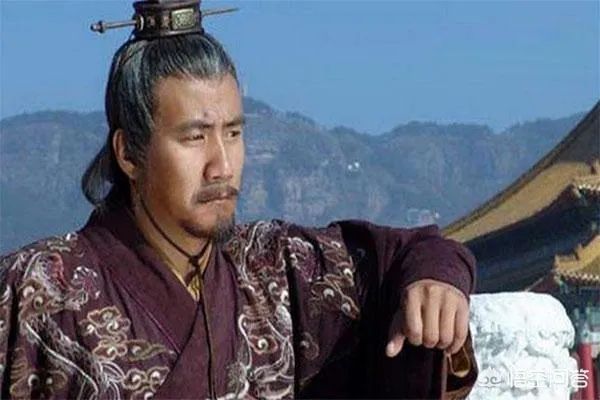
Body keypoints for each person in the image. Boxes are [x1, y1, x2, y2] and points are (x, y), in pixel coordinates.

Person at [0, 1, 478, 398]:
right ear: (129, 153)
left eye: (233, 133)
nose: (222, 165)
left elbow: (413, 252)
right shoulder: (39, 290)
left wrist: (437, 281)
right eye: (194, 137)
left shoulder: (273, 267)